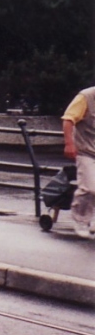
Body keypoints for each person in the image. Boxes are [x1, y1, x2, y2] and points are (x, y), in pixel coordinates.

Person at [61, 85, 95, 240]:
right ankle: (80, 220)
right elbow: (68, 119)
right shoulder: (86, 97)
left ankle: (92, 219)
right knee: (89, 188)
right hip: (86, 150)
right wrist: (69, 144)